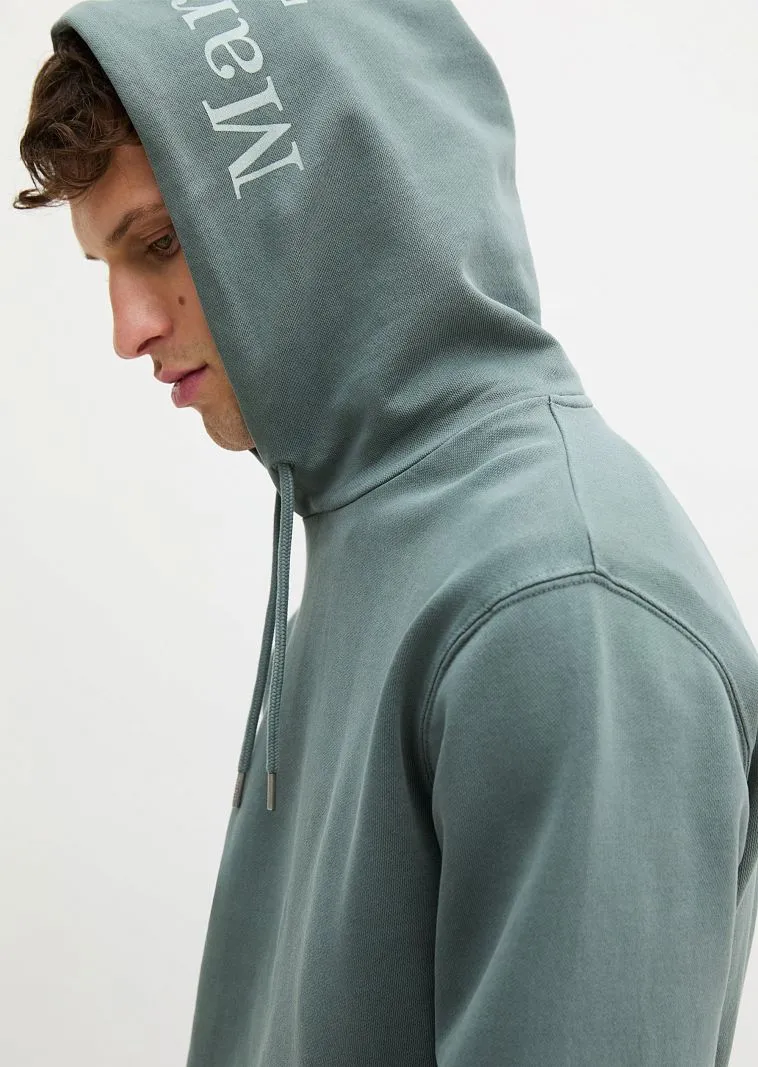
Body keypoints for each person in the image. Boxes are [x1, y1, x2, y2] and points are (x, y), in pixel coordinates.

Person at [14, 3, 758, 1064]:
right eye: (105, 268)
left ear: (325, 203)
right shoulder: (383, 533)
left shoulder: (558, 605)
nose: (127, 329)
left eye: (163, 241)